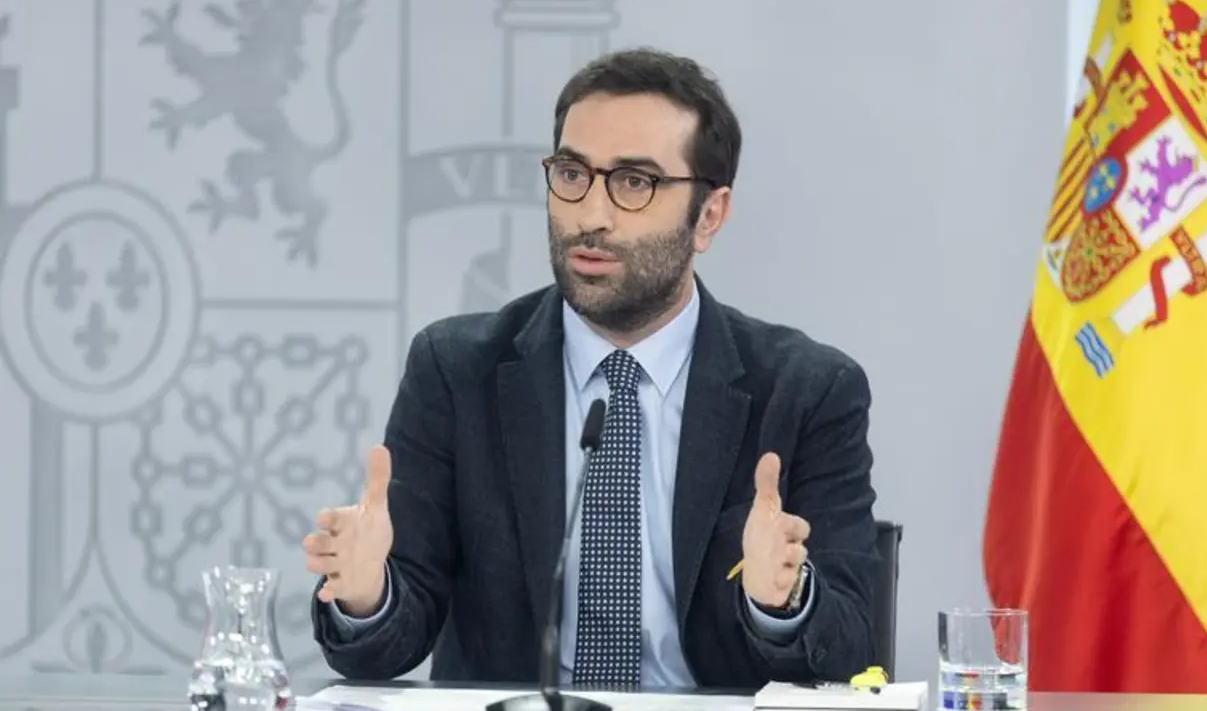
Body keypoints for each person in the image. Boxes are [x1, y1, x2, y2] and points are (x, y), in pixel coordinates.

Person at [305, 47, 880, 691]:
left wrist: (783, 601)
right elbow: (384, 645)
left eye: (635, 183)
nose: (590, 215)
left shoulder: (806, 391)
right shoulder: (457, 370)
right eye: (572, 173)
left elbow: (852, 645)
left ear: (709, 216)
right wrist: (367, 595)